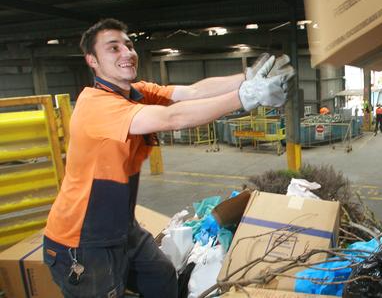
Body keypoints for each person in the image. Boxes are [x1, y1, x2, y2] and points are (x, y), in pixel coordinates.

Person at [42, 18, 294, 298]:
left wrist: (248, 77)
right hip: (83, 240)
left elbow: (194, 91)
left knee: (161, 275)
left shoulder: (136, 93)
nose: (126, 53)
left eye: (128, 45)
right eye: (113, 48)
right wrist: (246, 96)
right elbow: (173, 118)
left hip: (122, 229)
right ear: (92, 61)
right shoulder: (96, 106)